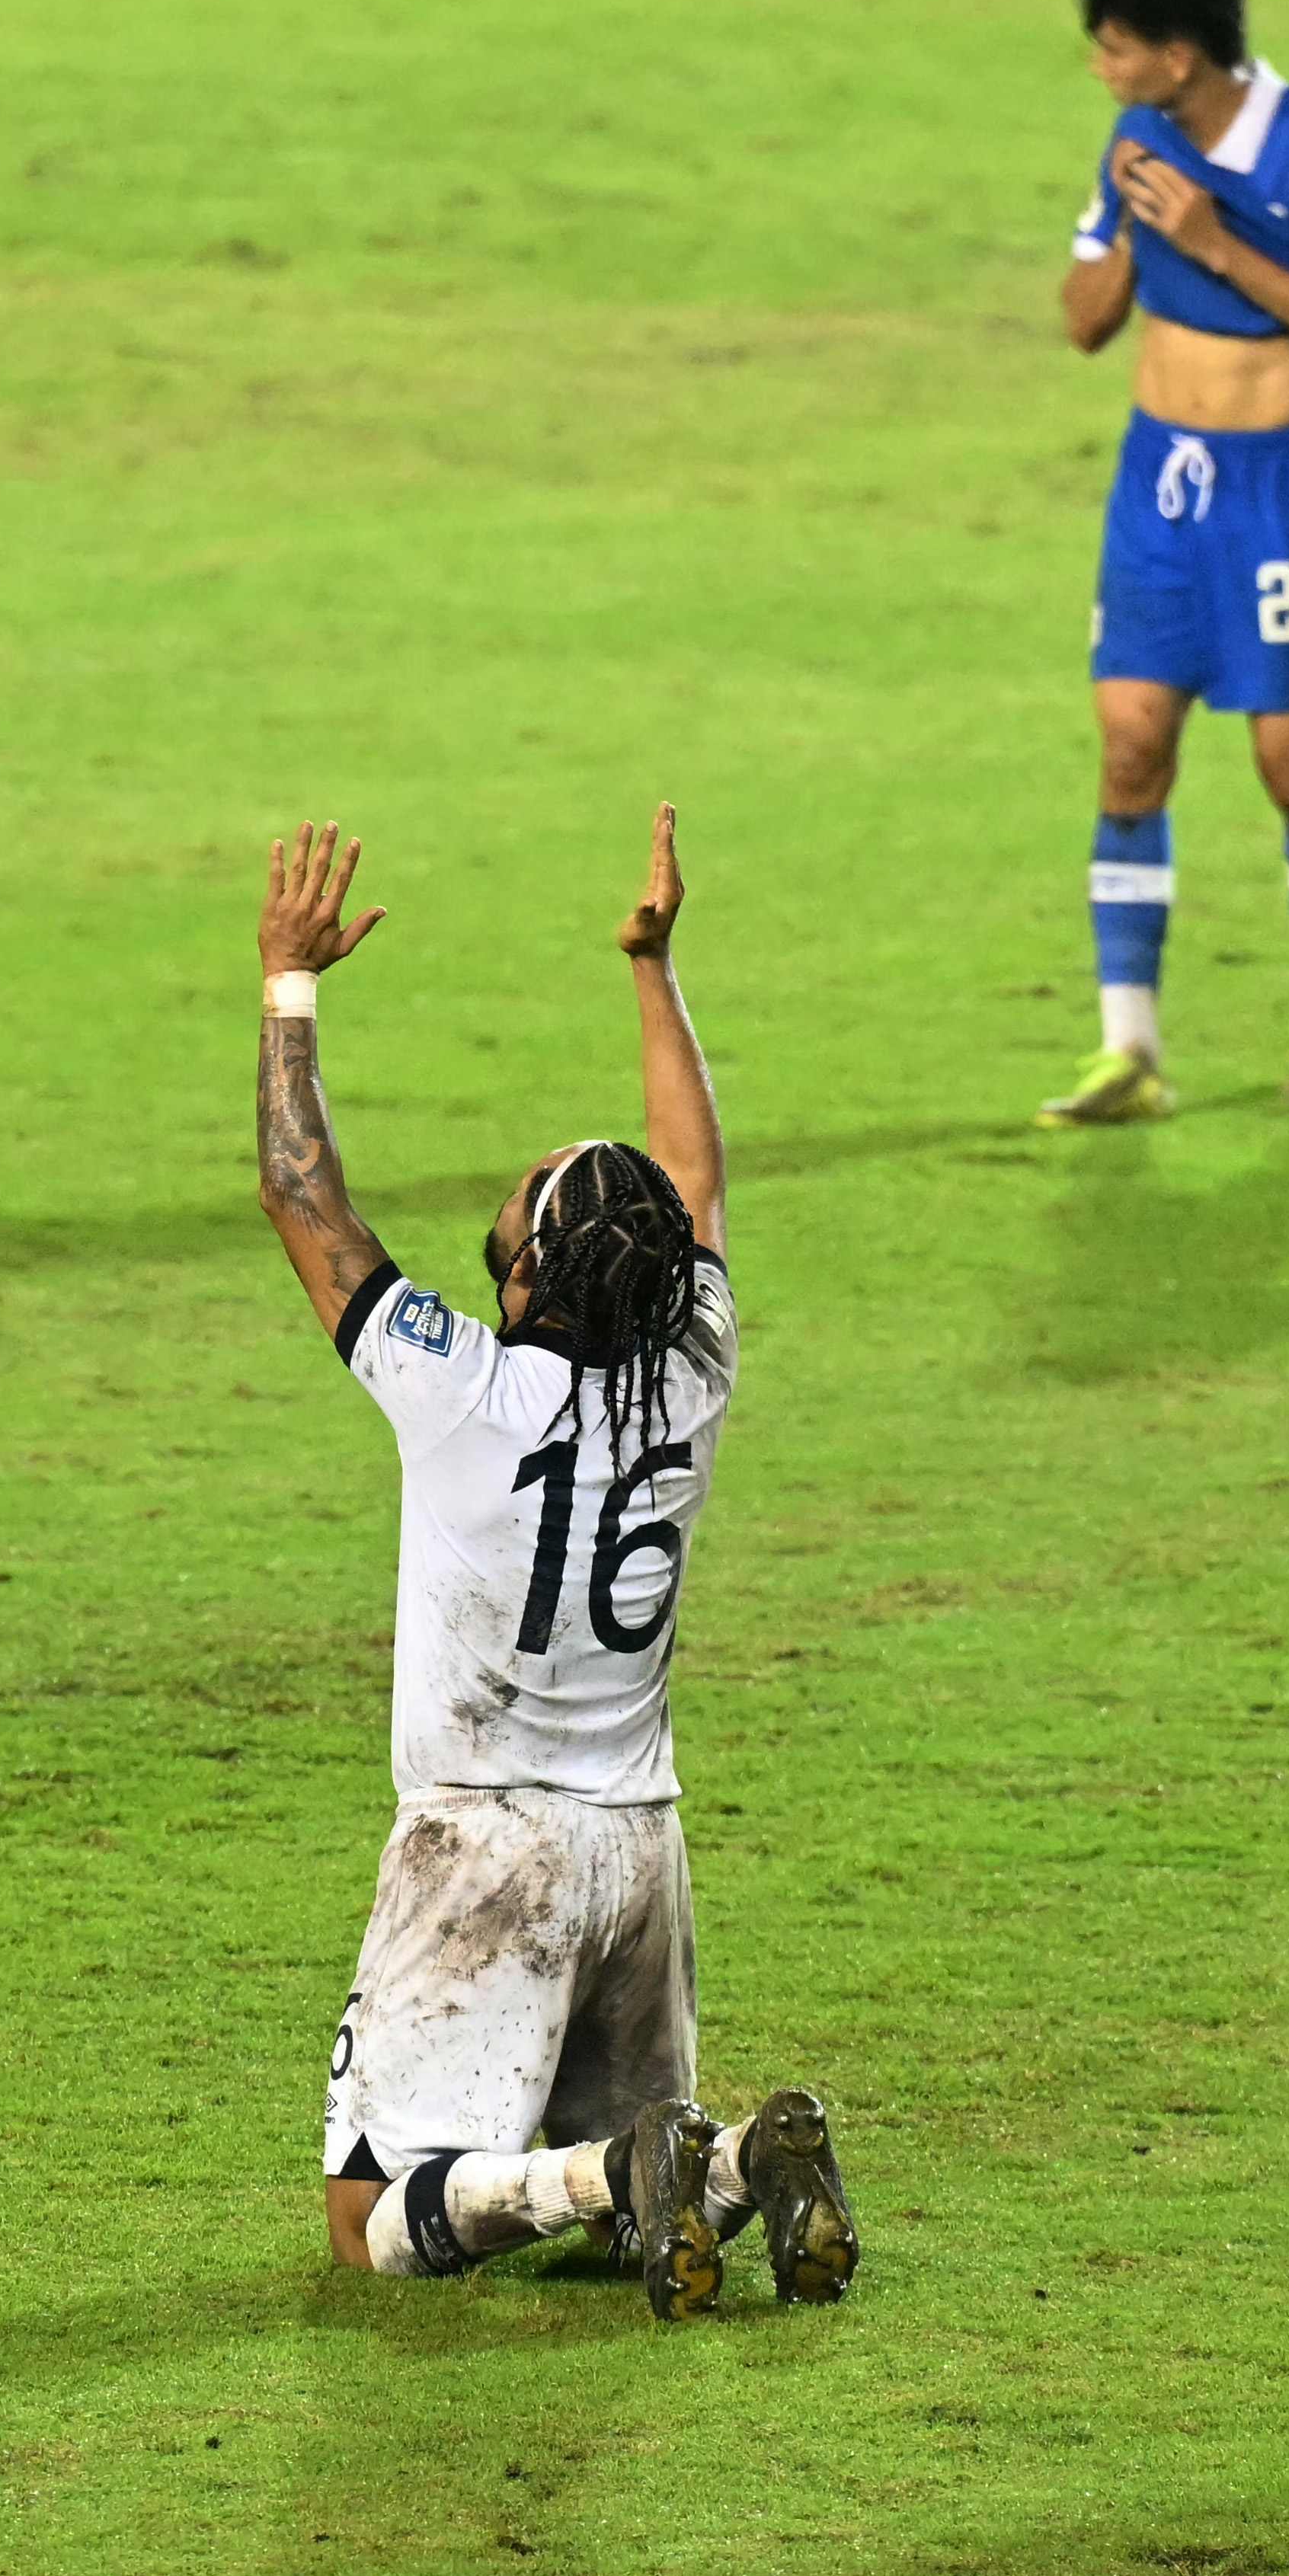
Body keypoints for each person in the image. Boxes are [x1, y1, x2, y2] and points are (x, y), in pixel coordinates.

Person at [253, 807, 852, 2319]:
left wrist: (286, 984)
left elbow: (302, 1195)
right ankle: (735, 2162)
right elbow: (696, 1180)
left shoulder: (458, 1385)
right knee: (627, 2192)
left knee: (370, 2223)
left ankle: (609, 2173)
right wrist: (653, 967)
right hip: (638, 1845)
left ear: (524, 1280)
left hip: (483, 1846)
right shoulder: (694, 1370)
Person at [1038, 0, 1289, 1125]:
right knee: (1131, 748)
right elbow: (1083, 322)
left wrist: (1212, 244)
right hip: (1160, 488)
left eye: (1115, 49)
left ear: (1179, 55)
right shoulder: (1137, 142)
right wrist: (1136, 230)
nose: (1101, 69)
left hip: (1279, 493)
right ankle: (1128, 1049)